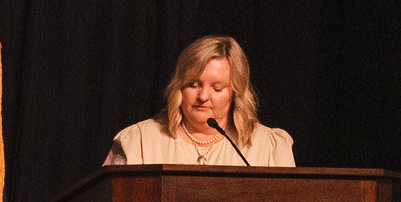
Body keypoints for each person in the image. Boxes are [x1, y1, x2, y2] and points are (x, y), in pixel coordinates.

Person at [105, 34, 295, 167]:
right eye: (193, 85)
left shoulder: (269, 148)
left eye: (217, 88)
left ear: (235, 92)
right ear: (178, 86)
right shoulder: (140, 142)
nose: (203, 97)